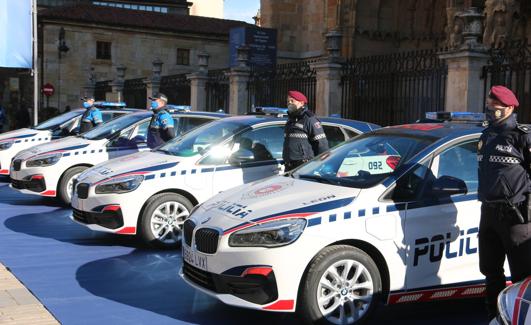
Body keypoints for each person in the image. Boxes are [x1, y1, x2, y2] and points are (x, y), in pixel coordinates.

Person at [477, 85, 531, 320]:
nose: (490, 111)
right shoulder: (486, 135)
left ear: (508, 108)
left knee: (522, 273)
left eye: (494, 108)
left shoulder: (521, 136)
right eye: (488, 107)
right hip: (488, 211)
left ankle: (523, 316)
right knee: (490, 269)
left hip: (515, 215)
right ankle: (497, 315)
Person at [282, 90, 328, 171]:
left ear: (302, 103)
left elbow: (321, 144)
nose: (289, 103)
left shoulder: (310, 119)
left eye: (292, 101)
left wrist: (320, 165)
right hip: (289, 165)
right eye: (288, 101)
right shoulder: (290, 120)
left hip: (304, 165)